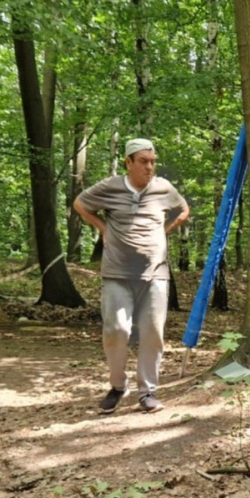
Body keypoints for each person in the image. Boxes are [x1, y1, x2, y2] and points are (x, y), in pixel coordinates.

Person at [73, 138, 190, 414]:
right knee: (116, 331)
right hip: (116, 272)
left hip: (155, 274)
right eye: (143, 161)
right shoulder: (110, 187)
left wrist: (164, 232)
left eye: (153, 161)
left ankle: (147, 391)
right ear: (128, 162)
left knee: (152, 333)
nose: (150, 167)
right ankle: (117, 386)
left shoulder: (163, 187)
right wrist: (103, 228)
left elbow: (183, 210)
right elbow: (80, 204)